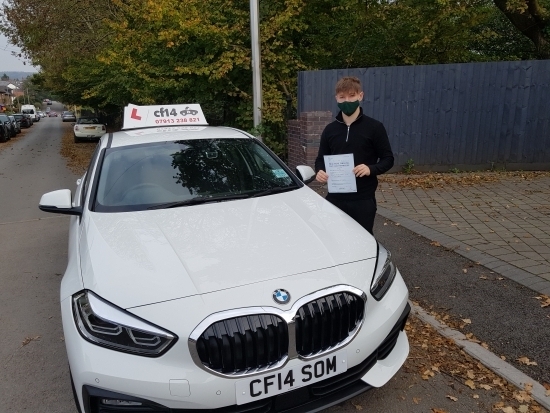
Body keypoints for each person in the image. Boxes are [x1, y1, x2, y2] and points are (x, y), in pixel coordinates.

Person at [315, 76, 394, 235]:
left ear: (360, 96)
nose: (347, 101)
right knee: (332, 239)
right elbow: (321, 159)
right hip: (335, 198)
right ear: (336, 98)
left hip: (363, 199)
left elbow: (388, 159)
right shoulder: (330, 130)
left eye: (351, 96)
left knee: (362, 241)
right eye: (342, 97)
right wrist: (320, 172)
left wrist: (370, 169)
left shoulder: (374, 127)